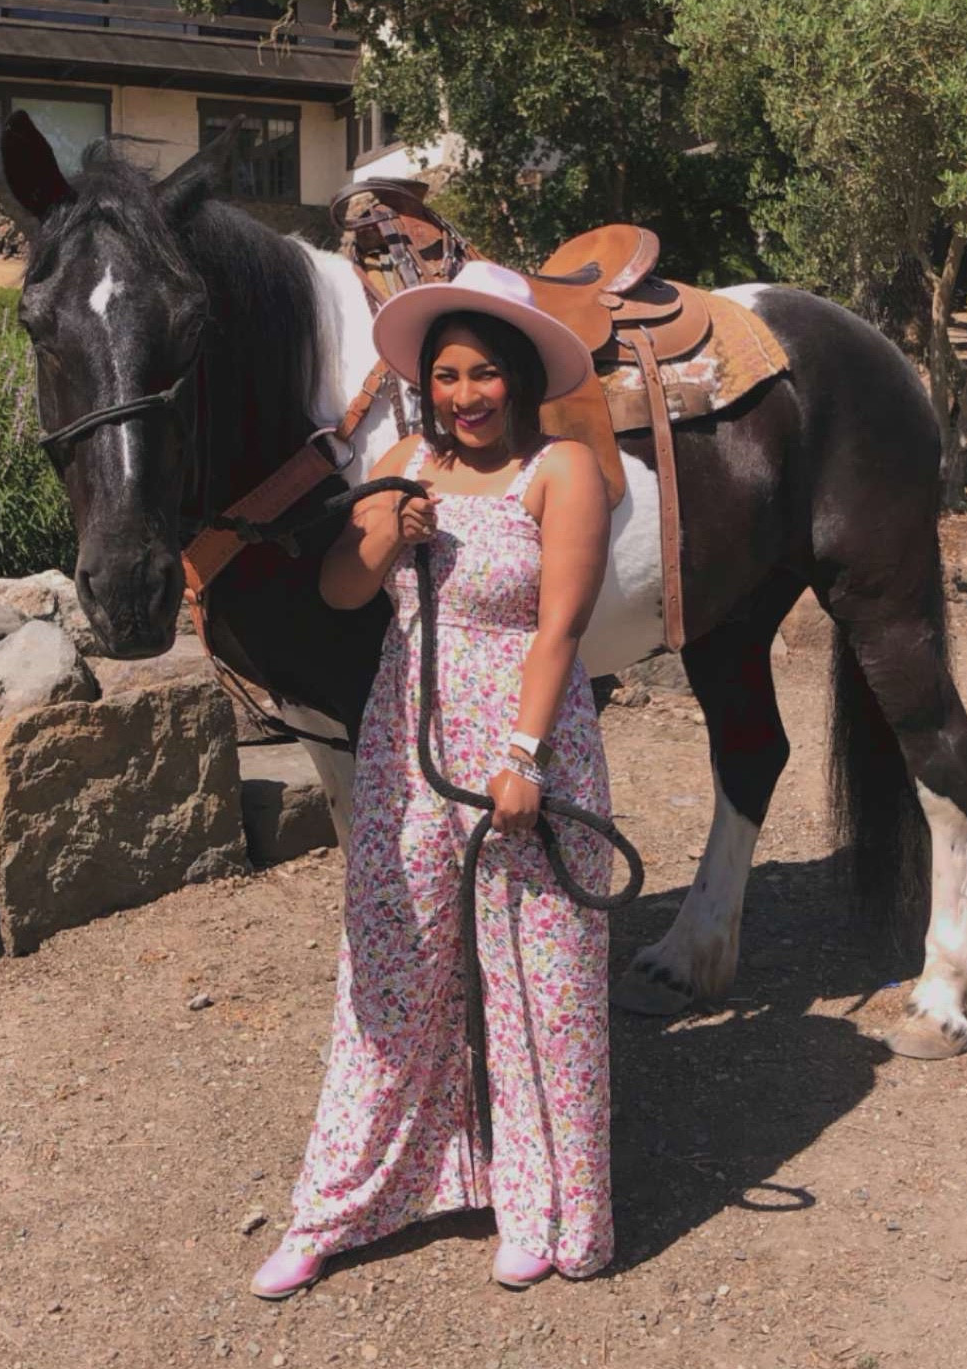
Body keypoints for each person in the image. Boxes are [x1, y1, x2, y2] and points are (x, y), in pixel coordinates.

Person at [251, 259, 614, 1297]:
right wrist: (381, 533)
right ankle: (339, 1203)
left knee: (539, 983)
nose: (466, 395)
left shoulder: (562, 472)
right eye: (449, 376)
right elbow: (339, 589)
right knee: (390, 974)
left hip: (526, 755)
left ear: (522, 380)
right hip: (405, 754)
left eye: (486, 374)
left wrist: (522, 759)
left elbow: (561, 628)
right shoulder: (407, 461)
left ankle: (546, 1204)